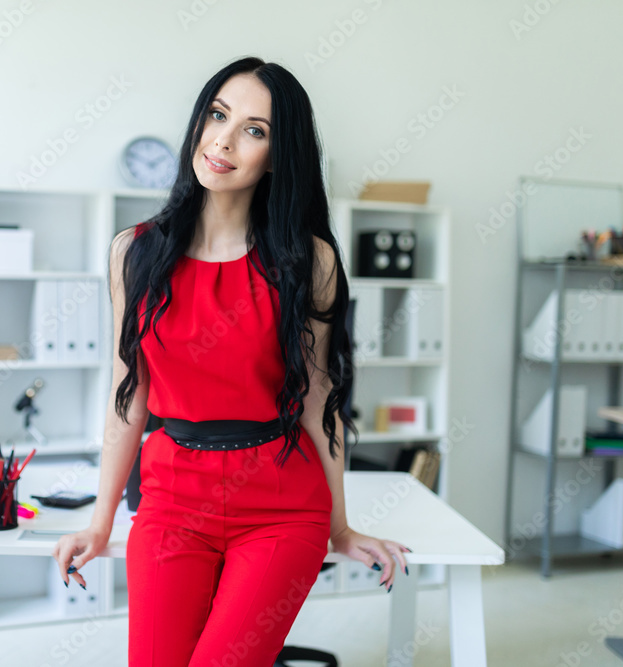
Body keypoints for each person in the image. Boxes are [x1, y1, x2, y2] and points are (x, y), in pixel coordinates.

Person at [52, 56, 412, 667]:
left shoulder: (308, 260)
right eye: (217, 115)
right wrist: (99, 518)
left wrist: (341, 527)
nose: (223, 138)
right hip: (171, 498)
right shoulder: (133, 253)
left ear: (277, 155)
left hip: (280, 505)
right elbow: (126, 396)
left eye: (254, 128)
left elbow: (320, 399)